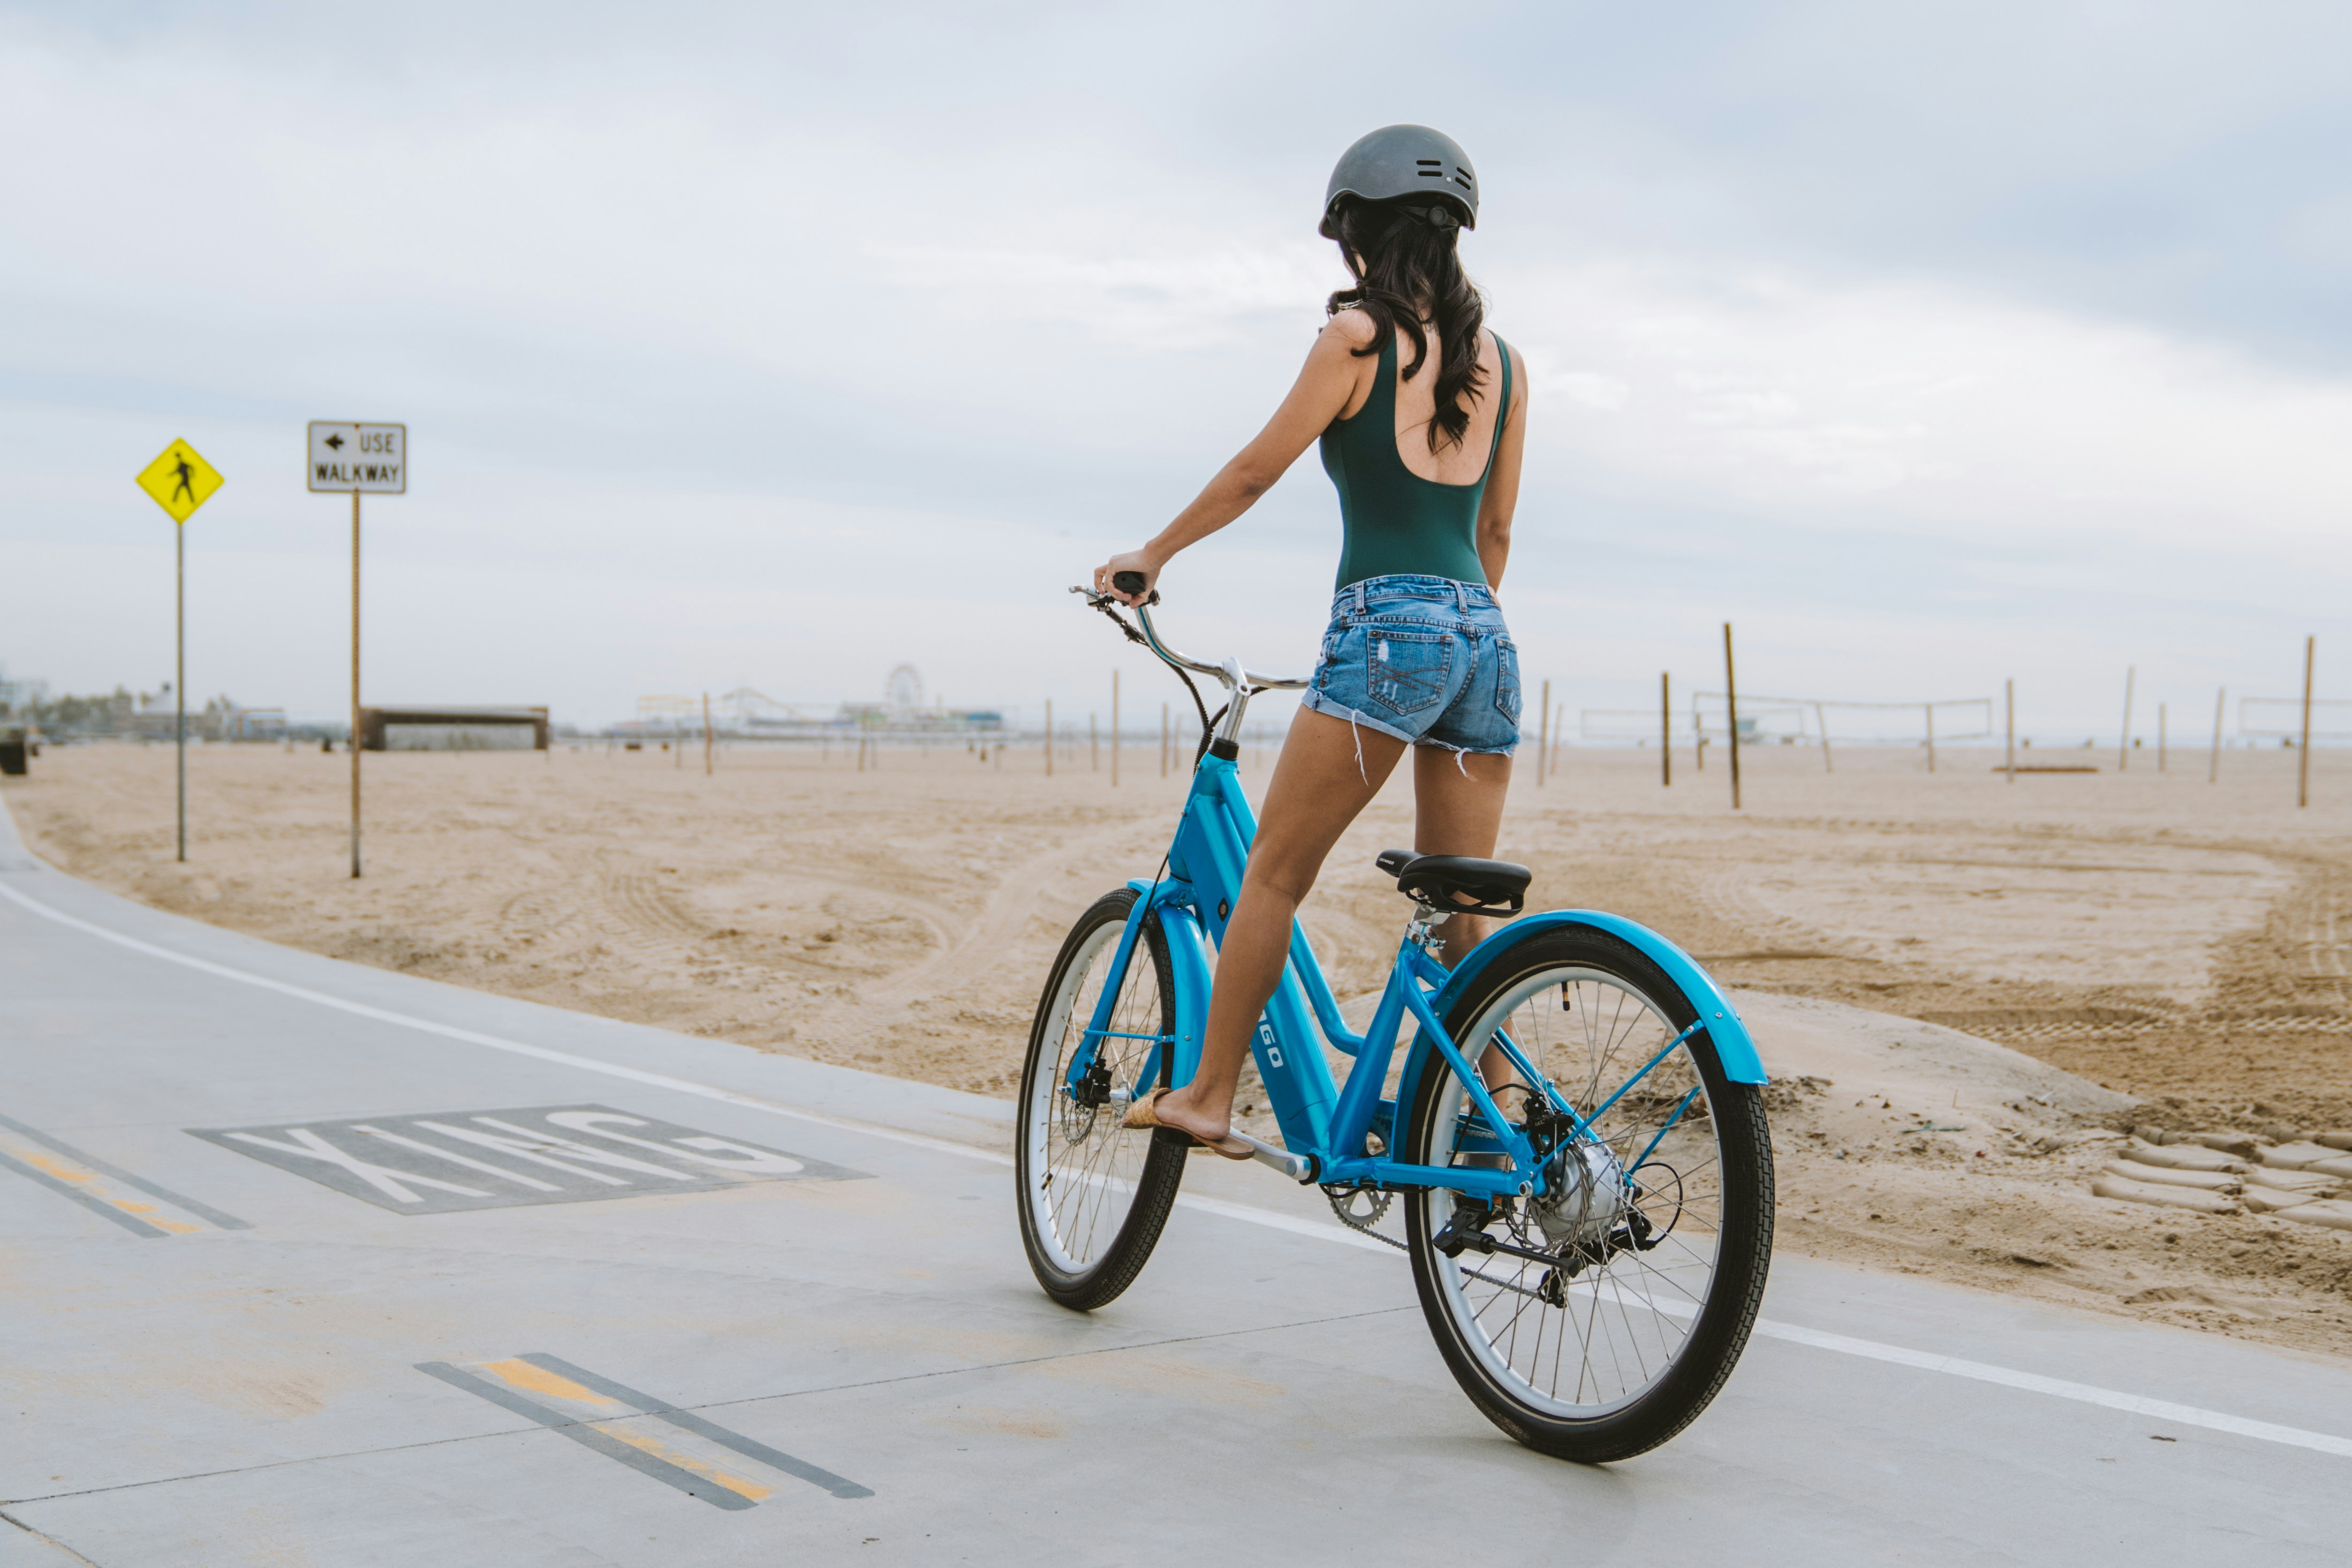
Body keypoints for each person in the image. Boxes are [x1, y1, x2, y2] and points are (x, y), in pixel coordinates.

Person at [1092, 125, 1528, 1158]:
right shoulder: (1506, 366)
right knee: (1463, 897)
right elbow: (1496, 532)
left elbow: (1256, 471)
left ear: (1354, 233)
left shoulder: (1357, 339)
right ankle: (1500, 1104)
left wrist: (1153, 553)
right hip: (1486, 634)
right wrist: (1454, 633)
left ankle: (1206, 1096)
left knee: (1274, 876)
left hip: (1388, 629)